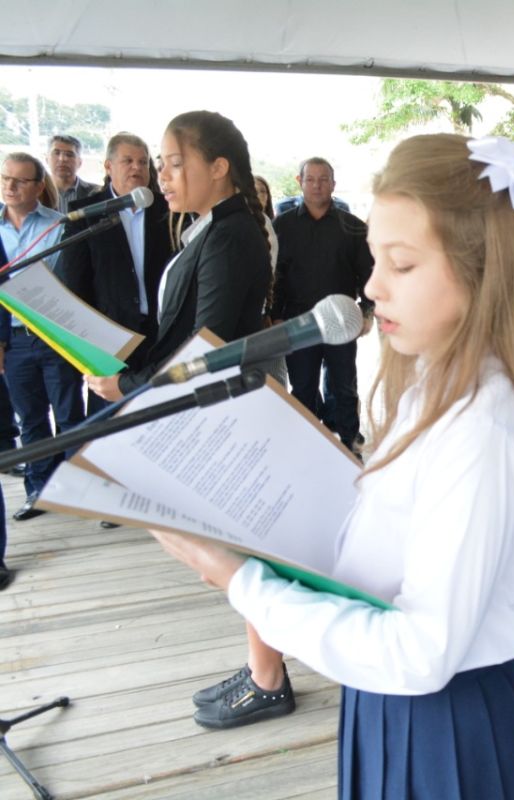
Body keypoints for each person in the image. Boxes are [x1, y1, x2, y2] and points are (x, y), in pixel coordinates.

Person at [150, 132, 514, 798]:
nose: (371, 287)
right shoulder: (437, 384)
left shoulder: (484, 428)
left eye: (400, 264)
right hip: (391, 699)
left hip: (444, 723)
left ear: (481, 272)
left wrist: (240, 582)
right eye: (373, 258)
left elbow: (421, 651)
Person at [84, 111, 278, 730]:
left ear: (218, 167)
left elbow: (211, 340)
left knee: (243, 549)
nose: (162, 175)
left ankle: (268, 678)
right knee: (233, 545)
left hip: (228, 410)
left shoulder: (232, 233)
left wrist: (129, 384)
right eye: (160, 164)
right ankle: (262, 667)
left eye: (173, 162)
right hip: (208, 405)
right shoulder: (205, 228)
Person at [61, 132, 174, 411]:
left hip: (159, 336)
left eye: (143, 161)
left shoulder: (167, 209)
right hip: (109, 338)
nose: (137, 168)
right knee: (108, 426)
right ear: (108, 167)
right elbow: (75, 284)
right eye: (127, 161)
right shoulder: (87, 213)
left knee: (154, 418)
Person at [0, 152, 83, 521]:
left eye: (19, 181)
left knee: (68, 414)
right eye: (5, 179)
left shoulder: (59, 225)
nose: (10, 187)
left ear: (38, 186)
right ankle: (39, 491)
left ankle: (79, 488)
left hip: (55, 334)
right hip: (13, 340)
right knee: (30, 419)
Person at [272, 157, 374, 451]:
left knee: (343, 385)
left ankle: (348, 442)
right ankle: (307, 444)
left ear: (333, 183)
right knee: (302, 386)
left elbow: (367, 272)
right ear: (299, 182)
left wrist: (366, 313)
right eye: (311, 179)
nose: (317, 185)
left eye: (324, 179)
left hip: (343, 320)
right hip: (297, 321)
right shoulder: (283, 225)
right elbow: (275, 275)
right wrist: (275, 316)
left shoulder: (352, 226)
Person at [46, 134, 99, 214]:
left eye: (69, 155)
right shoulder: (36, 193)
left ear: (80, 162)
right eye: (56, 153)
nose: (62, 159)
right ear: (47, 159)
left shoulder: (96, 193)